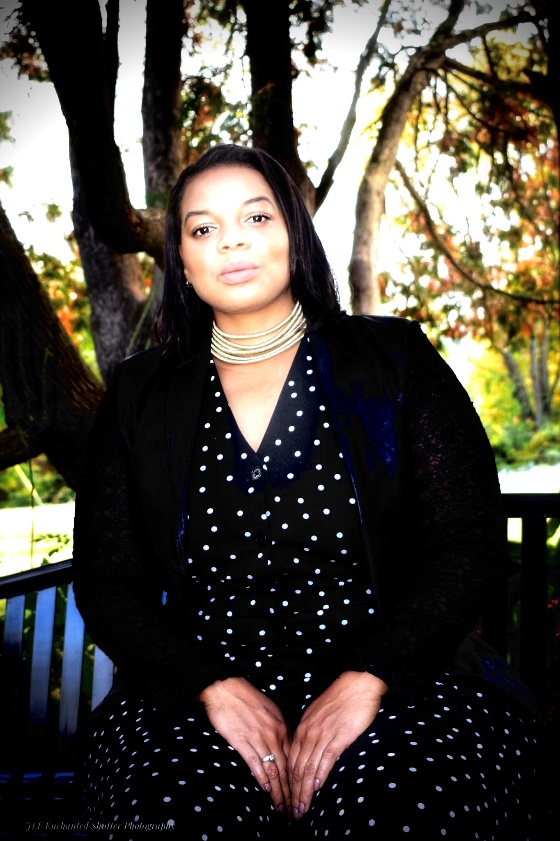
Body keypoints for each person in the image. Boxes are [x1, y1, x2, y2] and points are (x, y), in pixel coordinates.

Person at [72, 143, 546, 840]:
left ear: (293, 232)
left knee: (403, 815)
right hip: (198, 697)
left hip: (396, 687)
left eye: (255, 216)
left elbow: (466, 543)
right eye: (203, 227)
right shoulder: (140, 394)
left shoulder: (396, 360)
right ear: (181, 258)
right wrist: (211, 685)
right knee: (174, 817)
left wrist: (370, 675)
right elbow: (108, 581)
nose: (231, 238)